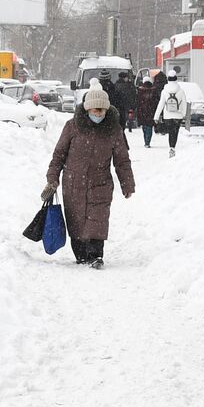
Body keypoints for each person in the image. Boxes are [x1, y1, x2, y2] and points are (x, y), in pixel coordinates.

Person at [41, 79, 135, 270]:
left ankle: (96, 255)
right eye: (95, 110)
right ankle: (81, 254)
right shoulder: (72, 126)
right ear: (87, 109)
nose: (98, 113)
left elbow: (122, 160)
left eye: (101, 110)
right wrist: (53, 178)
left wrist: (128, 184)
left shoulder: (113, 130)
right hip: (73, 183)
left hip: (100, 184)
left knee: (97, 220)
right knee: (76, 221)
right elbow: (59, 154)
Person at [154, 70, 189, 158]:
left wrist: (156, 116)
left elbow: (161, 104)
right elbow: (184, 103)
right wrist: (184, 114)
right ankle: (173, 147)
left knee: (170, 132)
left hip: (168, 115)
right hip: (178, 115)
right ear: (176, 79)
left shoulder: (164, 91)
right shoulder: (180, 91)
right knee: (175, 131)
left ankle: (171, 148)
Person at [136, 76, 159, 148]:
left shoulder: (140, 90)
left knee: (144, 127)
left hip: (142, 111)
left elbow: (138, 102)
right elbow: (156, 101)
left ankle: (146, 140)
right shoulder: (154, 90)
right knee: (149, 126)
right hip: (151, 111)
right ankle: (147, 141)